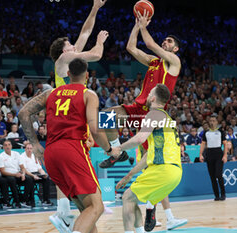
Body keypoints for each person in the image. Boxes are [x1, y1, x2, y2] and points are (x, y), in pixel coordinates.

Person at [18, 58, 118, 233]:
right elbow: (94, 128)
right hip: (72, 151)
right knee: (97, 207)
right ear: (87, 75)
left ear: (68, 74)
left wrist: (34, 144)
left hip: (51, 154)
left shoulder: (51, 93)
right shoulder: (88, 94)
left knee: (86, 209)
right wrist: (109, 149)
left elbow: (23, 112)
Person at [48, 0, 110, 228]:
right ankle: (62, 212)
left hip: (74, 118)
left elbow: (84, 31)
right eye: (71, 45)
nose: (75, 46)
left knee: (88, 205)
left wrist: (94, 8)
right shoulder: (63, 60)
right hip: (67, 120)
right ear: (63, 51)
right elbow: (95, 54)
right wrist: (100, 42)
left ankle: (65, 212)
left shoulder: (69, 58)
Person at [99, 10, 181, 169]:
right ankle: (118, 154)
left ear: (176, 49)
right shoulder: (153, 61)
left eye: (169, 42)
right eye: (164, 40)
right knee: (105, 117)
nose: (165, 42)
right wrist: (137, 26)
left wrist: (143, 26)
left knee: (147, 158)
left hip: (154, 112)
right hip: (138, 109)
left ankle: (155, 187)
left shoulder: (174, 62)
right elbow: (131, 48)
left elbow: (150, 44)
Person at [114, 84, 186, 232]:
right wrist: (129, 175)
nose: (146, 97)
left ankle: (148, 214)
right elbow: (148, 155)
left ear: (153, 98)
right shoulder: (167, 119)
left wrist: (118, 148)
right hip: (175, 173)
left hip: (163, 169)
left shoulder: (153, 114)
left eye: (149, 94)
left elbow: (140, 138)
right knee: (132, 198)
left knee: (127, 197)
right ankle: (151, 210)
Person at [0, 140, 34, 208]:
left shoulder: (16, 154)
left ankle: (24, 200)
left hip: (18, 174)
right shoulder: (1, 156)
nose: (7, 146)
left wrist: (23, 174)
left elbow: (22, 167)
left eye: (9, 145)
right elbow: (2, 172)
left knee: (29, 179)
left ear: (11, 146)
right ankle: (17, 202)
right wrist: (15, 175)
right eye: (5, 145)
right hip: (7, 175)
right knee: (12, 180)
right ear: (3, 147)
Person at [199, 115, 227, 201]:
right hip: (209, 154)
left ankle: (223, 194)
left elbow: (225, 144)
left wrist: (225, 155)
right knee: (212, 177)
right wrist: (200, 154)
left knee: (218, 174)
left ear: (217, 122)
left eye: (214, 120)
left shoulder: (221, 132)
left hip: (218, 154)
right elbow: (203, 144)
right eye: (210, 120)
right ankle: (216, 196)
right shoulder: (206, 132)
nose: (212, 122)